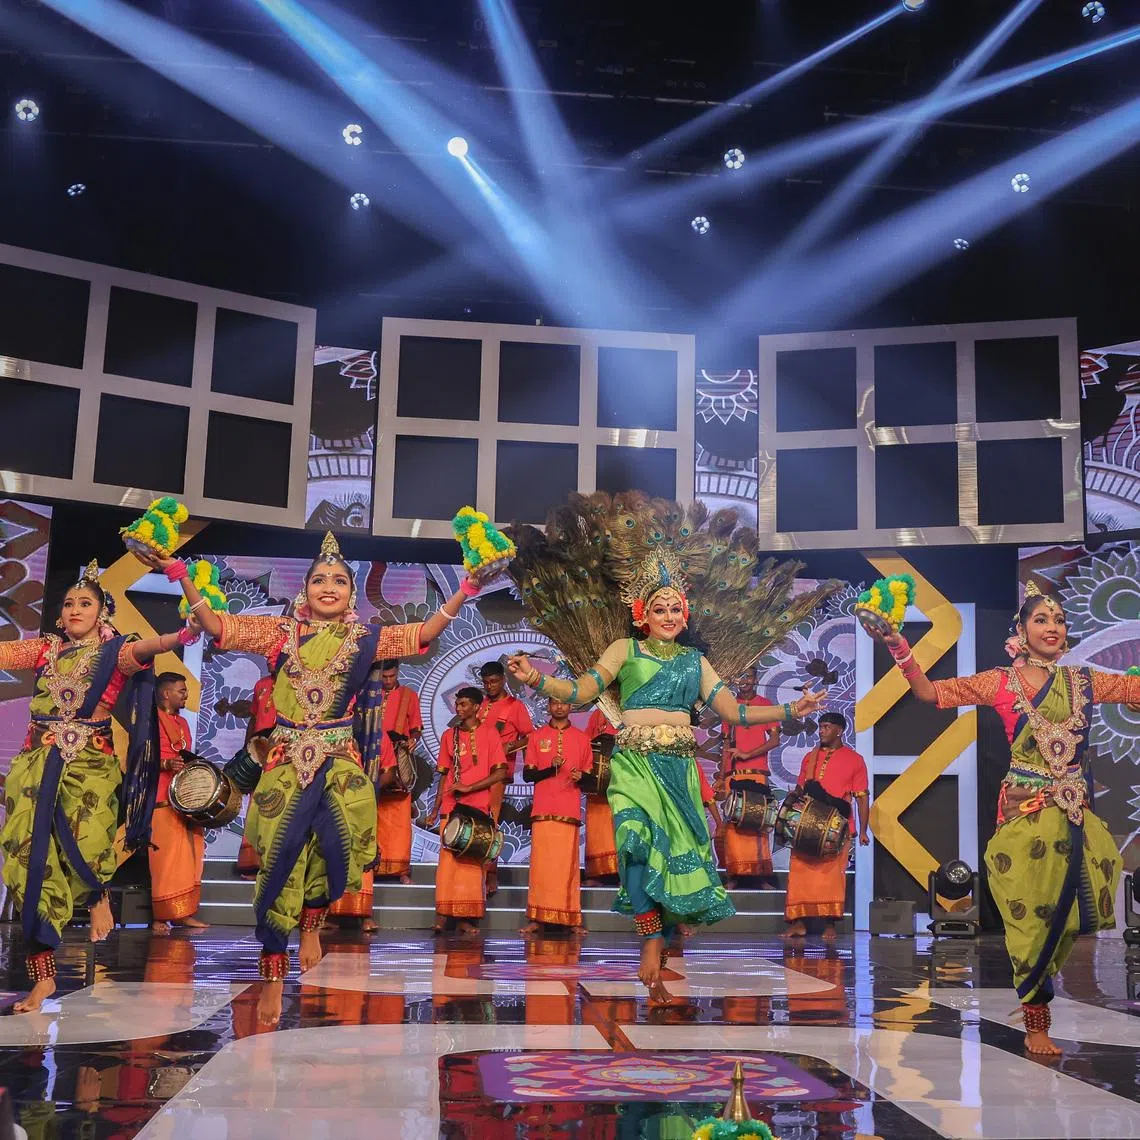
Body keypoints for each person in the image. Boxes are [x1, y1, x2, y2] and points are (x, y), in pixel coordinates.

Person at [140, 531, 480, 1028]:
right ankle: (274, 975)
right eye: (319, 579)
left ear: (350, 592)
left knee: (344, 853)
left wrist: (466, 588)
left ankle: (314, 922)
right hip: (284, 762)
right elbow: (216, 625)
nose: (328, 587)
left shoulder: (365, 639)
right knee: (278, 861)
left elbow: (423, 634)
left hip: (339, 762)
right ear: (305, 590)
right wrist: (179, 574)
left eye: (339, 580)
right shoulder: (281, 634)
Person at [507, 554, 826, 1002]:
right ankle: (651, 937)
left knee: (676, 856)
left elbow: (735, 712)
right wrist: (535, 680)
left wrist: (793, 709)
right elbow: (580, 692)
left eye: (676, 609)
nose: (669, 617)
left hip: (679, 768)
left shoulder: (695, 661)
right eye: (660, 609)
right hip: (634, 763)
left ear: (685, 614)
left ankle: (663, 942)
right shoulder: (624, 650)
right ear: (643, 614)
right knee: (635, 843)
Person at [871, 583, 1140, 1056]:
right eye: (1041, 619)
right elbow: (931, 693)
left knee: (1080, 915)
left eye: (1058, 620)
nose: (1052, 627)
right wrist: (898, 646)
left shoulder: (1083, 681)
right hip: (1026, 812)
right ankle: (1037, 1021)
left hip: (1075, 816)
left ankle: (1041, 993)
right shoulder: (1000, 682)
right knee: (1029, 920)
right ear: (1020, 630)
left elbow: (1133, 688)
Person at [0, 561, 191, 1012]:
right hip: (37, 765)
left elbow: (148, 648)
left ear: (103, 611)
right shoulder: (46, 651)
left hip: (89, 767)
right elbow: (6, 656)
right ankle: (43, 978)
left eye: (84, 603)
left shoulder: (116, 652)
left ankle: (98, 895)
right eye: (68, 604)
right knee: (30, 862)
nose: (73, 609)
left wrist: (180, 637)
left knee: (86, 847)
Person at [425, 687, 508, 935]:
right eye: (457, 705)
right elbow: (443, 776)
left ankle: (465, 917)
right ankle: (442, 914)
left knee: (471, 866)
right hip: (451, 807)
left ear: (476, 707)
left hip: (478, 807)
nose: (458, 709)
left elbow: (501, 772)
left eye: (463, 704)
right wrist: (435, 807)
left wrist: (470, 787)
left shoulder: (490, 734)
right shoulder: (448, 735)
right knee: (448, 864)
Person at [782, 712, 869, 943]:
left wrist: (863, 830)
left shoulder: (855, 759)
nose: (821, 731)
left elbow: (861, 797)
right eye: (820, 727)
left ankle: (829, 925)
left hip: (837, 827)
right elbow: (801, 788)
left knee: (832, 877)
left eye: (827, 727)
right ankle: (797, 923)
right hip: (807, 823)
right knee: (799, 873)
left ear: (840, 730)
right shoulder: (809, 757)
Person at [521, 697, 589, 934]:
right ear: (548, 706)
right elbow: (528, 776)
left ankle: (571, 919)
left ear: (571, 707)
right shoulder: (536, 737)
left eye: (564, 703)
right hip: (542, 809)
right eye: (554, 703)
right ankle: (536, 918)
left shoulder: (582, 739)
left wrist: (583, 777)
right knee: (540, 867)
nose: (559, 707)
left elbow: (590, 778)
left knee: (567, 867)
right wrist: (551, 768)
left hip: (568, 810)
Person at [149, 672, 209, 933]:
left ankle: (184, 913)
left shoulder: (183, 724)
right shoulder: (149, 720)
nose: (186, 695)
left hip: (185, 798)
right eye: (181, 691)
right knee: (166, 858)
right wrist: (165, 764)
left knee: (193, 854)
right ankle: (160, 916)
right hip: (161, 796)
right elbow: (136, 760)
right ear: (165, 693)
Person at [478, 660, 533, 895]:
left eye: (494, 681)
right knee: (474, 822)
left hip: (497, 775)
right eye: (486, 682)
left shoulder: (515, 707)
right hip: (473, 774)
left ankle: (491, 874)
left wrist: (513, 745)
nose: (490, 686)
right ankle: (473, 873)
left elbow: (530, 736)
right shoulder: (478, 705)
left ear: (503, 679)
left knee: (490, 823)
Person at [720, 670, 780, 888]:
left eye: (749, 677)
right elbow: (726, 745)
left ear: (756, 680)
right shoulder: (729, 706)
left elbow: (775, 740)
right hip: (733, 774)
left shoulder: (766, 704)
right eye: (740, 677)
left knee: (758, 823)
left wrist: (748, 754)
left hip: (757, 773)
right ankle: (734, 875)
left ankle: (761, 876)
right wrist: (721, 776)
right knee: (733, 825)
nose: (744, 681)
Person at [371, 659, 424, 884]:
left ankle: (401, 869)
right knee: (372, 810)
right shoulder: (370, 695)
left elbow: (416, 729)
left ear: (397, 673)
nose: (388, 681)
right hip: (374, 756)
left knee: (399, 815)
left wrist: (413, 740)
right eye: (385, 677)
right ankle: (371, 865)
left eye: (392, 677)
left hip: (399, 754)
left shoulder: (409, 695)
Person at [236, 675, 275, 879]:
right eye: (267, 656)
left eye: (274, 655)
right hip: (259, 750)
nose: (270, 659)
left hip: (281, 750)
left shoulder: (295, 681)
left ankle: (274, 864)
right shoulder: (261, 684)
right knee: (256, 803)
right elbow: (254, 718)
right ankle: (252, 864)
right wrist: (246, 750)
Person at [583, 706, 619, 883]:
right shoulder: (597, 716)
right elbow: (585, 744)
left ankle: (623, 873)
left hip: (621, 783)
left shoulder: (628, 714)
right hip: (597, 783)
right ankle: (597, 873)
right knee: (597, 827)